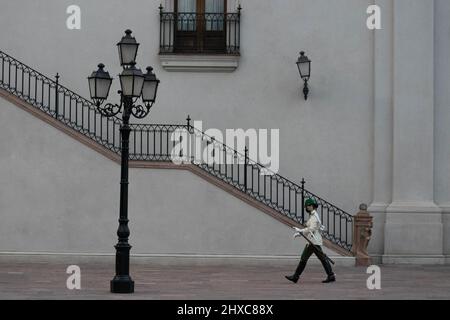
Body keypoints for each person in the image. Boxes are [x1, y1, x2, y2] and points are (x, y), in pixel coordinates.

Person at [285, 198, 336, 284]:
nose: (306, 208)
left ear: (312, 206)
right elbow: (311, 228)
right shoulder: (313, 215)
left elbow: (312, 228)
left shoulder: (314, 216)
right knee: (318, 258)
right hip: (313, 240)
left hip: (313, 241)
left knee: (305, 258)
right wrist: (300, 232)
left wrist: (301, 231)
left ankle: (296, 276)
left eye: (308, 206)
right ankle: (330, 275)